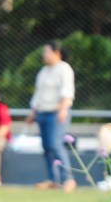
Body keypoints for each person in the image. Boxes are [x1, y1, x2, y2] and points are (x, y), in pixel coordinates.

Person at [26, 41, 75, 192]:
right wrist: (33, 113)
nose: (44, 55)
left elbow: (67, 91)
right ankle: (52, 179)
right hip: (43, 113)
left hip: (57, 112)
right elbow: (38, 94)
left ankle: (68, 179)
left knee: (56, 144)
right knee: (46, 147)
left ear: (56, 53)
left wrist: (63, 109)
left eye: (47, 51)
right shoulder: (43, 71)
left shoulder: (64, 69)